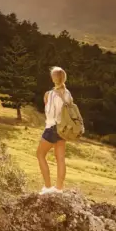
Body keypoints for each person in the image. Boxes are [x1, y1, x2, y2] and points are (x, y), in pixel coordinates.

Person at [37, 66, 72, 194]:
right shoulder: (68, 94)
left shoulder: (49, 94)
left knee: (40, 154)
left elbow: (49, 113)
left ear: (54, 79)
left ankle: (47, 187)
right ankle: (58, 188)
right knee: (60, 159)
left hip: (52, 128)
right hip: (63, 129)